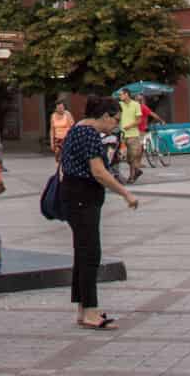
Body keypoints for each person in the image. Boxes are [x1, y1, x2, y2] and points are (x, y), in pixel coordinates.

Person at [60, 94, 139, 331]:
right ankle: (91, 311)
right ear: (104, 116)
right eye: (115, 119)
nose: (116, 124)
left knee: (83, 252)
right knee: (90, 253)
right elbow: (99, 172)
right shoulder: (90, 134)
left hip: (74, 195)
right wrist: (126, 193)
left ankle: (83, 309)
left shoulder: (77, 129)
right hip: (83, 198)